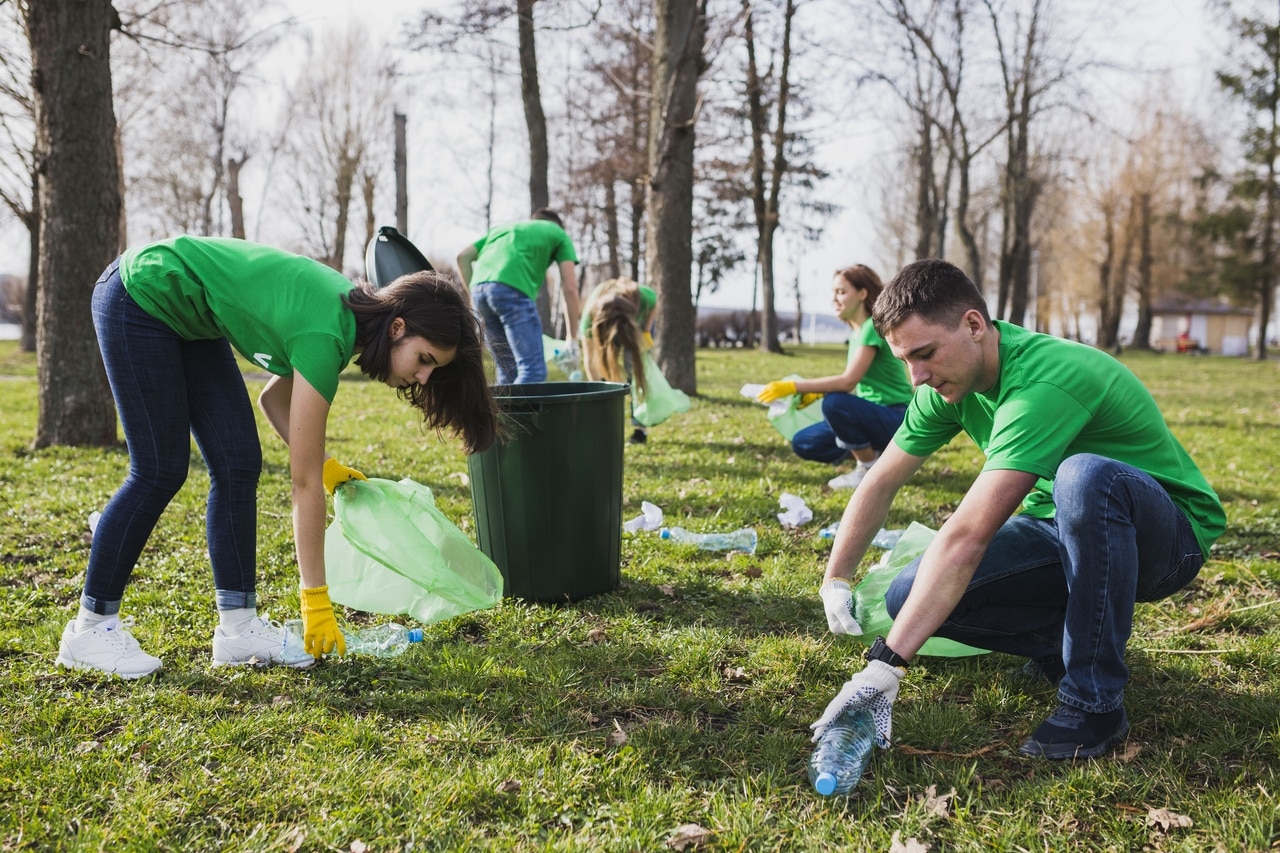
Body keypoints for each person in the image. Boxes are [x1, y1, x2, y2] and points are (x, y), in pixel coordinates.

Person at [810, 258, 1225, 760]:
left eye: (925, 353)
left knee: (1085, 475)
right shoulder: (944, 384)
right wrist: (837, 577)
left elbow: (969, 534)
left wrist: (885, 664)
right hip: (1059, 527)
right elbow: (879, 481)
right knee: (905, 597)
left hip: (1164, 541)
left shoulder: (1044, 380)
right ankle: (1065, 644)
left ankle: (1095, 703)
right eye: (904, 360)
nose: (916, 377)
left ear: (973, 325)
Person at [58, 235, 498, 678]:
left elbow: (273, 400)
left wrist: (324, 466)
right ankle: (89, 629)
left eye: (432, 370)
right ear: (398, 327)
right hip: (142, 292)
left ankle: (238, 628)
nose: (421, 377)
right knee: (159, 469)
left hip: (191, 317)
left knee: (238, 462)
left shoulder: (347, 326)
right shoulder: (327, 333)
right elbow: (302, 484)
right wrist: (316, 600)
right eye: (424, 360)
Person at [756, 265, 912, 489]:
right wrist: (815, 392)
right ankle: (877, 455)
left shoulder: (871, 327)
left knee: (834, 403)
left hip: (896, 416)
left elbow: (848, 381)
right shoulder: (857, 332)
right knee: (804, 442)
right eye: (834, 293)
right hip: (872, 415)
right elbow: (852, 384)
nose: (834, 299)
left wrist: (795, 386)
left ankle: (867, 468)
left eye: (841, 292)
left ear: (862, 294)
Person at [457, 208, 582, 385]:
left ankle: (501, 414)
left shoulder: (502, 229)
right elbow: (570, 288)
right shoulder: (559, 233)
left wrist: (475, 297)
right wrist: (572, 339)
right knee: (533, 371)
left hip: (479, 292)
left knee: (507, 373)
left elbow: (462, 257)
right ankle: (523, 414)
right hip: (512, 290)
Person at [579, 276, 657, 443]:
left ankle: (640, 427)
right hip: (607, 325)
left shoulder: (644, 297)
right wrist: (598, 394)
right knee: (607, 368)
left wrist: (647, 329)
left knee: (635, 370)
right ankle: (607, 423)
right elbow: (590, 360)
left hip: (634, 325)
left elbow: (655, 303)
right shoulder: (589, 319)